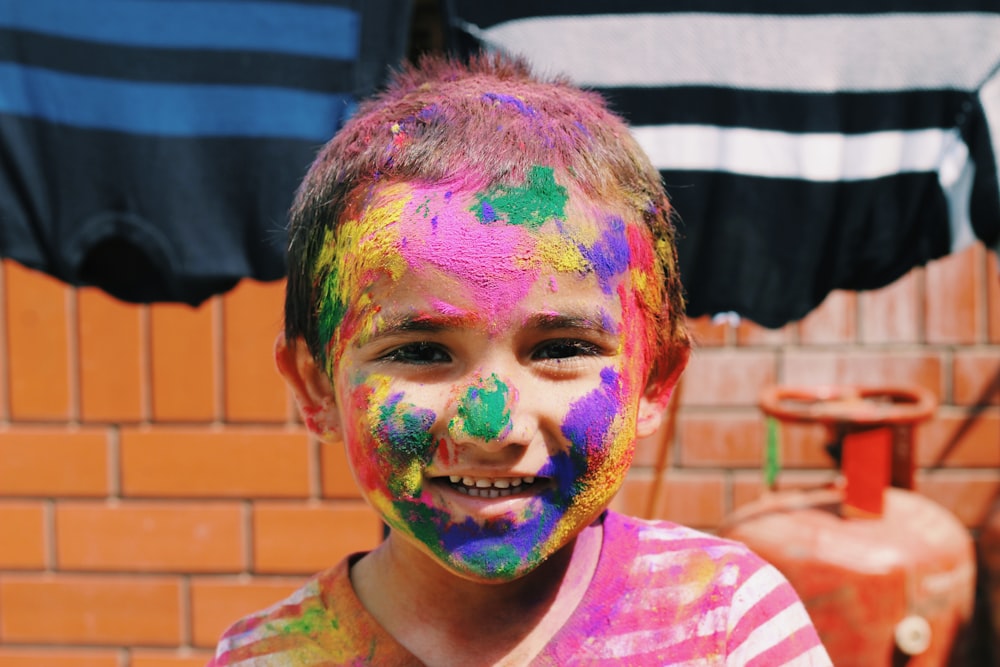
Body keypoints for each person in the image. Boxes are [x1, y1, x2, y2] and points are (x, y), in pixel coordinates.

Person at [209, 53, 832, 666]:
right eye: (421, 352)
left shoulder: (726, 619)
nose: (491, 428)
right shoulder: (267, 657)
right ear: (316, 390)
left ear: (654, 379)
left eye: (562, 349)